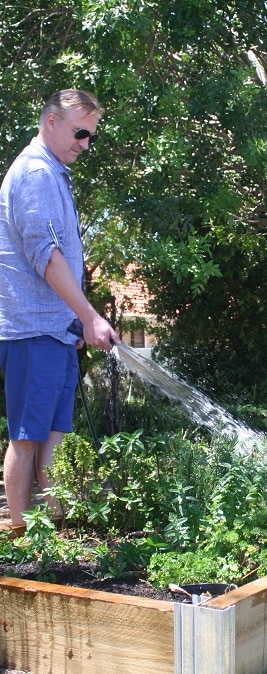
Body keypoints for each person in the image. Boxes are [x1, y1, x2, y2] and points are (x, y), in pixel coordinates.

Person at [0, 89, 120, 524]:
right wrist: (89, 317)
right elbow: (45, 253)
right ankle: (20, 540)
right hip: (32, 331)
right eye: (80, 132)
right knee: (27, 439)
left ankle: (57, 532)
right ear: (51, 122)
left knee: (54, 438)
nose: (86, 144)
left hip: (53, 332)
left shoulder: (52, 172)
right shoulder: (35, 173)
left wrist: (72, 323)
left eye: (91, 135)